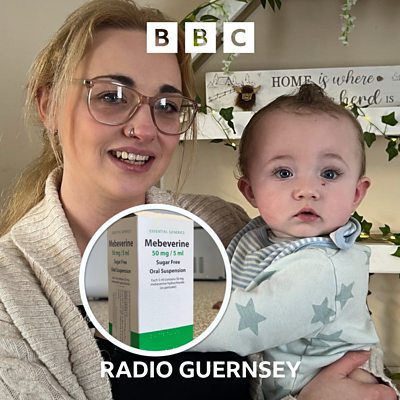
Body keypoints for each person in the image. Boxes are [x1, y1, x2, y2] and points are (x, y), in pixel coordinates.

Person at [0, 0, 396, 399]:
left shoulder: (223, 224)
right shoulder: (10, 292)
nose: (143, 128)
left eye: (167, 106)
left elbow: (348, 348)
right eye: (113, 96)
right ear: (48, 105)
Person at [195, 84, 399, 399]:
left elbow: (238, 327)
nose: (307, 190)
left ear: (357, 193)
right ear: (250, 191)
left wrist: (165, 322)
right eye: (283, 172)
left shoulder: (323, 268)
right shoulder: (259, 238)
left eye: (329, 174)